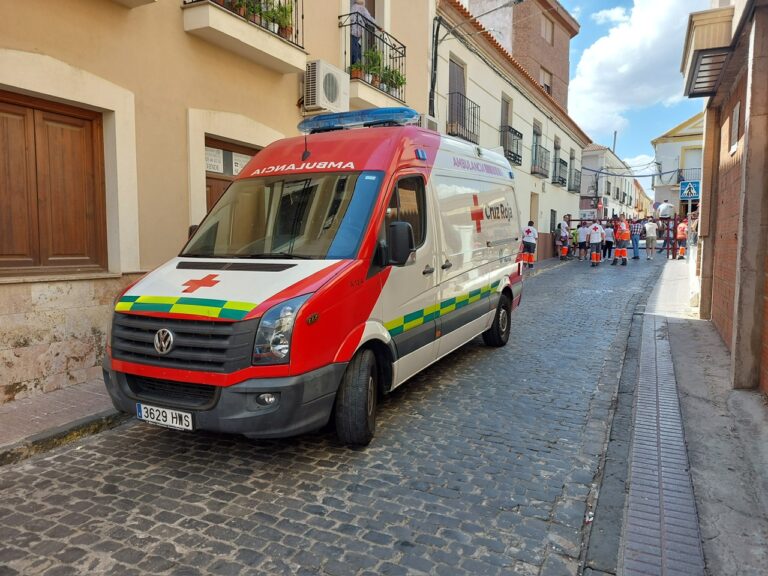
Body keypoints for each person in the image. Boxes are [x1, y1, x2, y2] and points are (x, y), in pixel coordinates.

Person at [350, 0, 375, 66]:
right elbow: (369, 20)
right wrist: (379, 26)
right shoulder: (361, 8)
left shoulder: (353, 7)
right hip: (355, 34)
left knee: (356, 52)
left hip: (354, 34)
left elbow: (368, 20)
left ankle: (357, 68)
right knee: (356, 53)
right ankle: (357, 68)